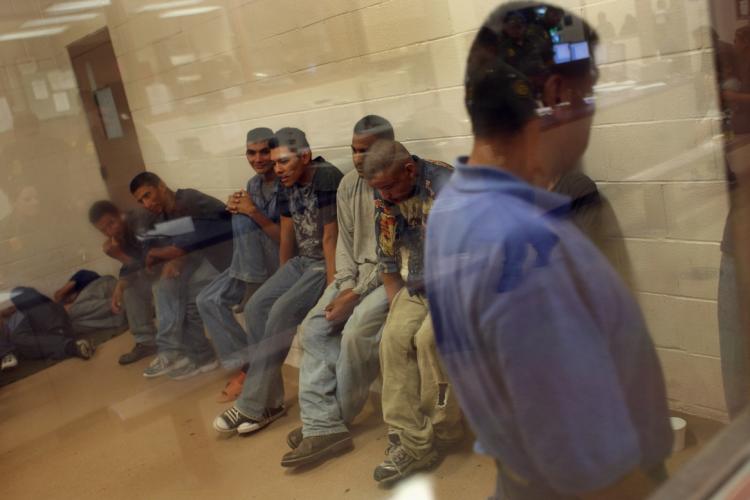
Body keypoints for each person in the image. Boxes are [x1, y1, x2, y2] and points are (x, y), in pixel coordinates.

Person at [424, 3, 673, 499]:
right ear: (559, 96)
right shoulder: (528, 250)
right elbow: (598, 479)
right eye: (592, 91)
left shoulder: (454, 203)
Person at [213, 127, 343, 435]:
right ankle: (269, 402)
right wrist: (283, 277)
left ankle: (251, 405)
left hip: (323, 262)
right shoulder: (287, 182)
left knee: (282, 310)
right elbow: (287, 233)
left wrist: (332, 286)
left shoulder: (325, 176)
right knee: (258, 306)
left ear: (306, 157)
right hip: (301, 263)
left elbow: (330, 237)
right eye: (275, 163)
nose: (277, 169)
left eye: (283, 162)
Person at [281, 116, 394, 468]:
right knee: (312, 327)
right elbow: (344, 245)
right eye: (354, 150)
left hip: (390, 278)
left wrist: (355, 295)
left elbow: (391, 256)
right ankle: (324, 422)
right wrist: (343, 287)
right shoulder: (348, 184)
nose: (358, 158)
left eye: (367, 150)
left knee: (355, 333)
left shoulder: (398, 181)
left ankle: (328, 423)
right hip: (355, 276)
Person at [360, 139, 462, 484]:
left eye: (389, 187)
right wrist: (396, 310)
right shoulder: (385, 192)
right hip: (418, 284)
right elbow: (388, 259)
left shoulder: (448, 187)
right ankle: (414, 441)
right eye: (378, 189)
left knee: (429, 340)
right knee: (393, 339)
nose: (384, 196)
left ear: (409, 170)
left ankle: (445, 431)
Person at [196, 127, 281, 402]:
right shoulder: (254, 184)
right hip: (249, 264)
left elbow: (284, 239)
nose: (258, 159)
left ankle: (251, 288)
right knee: (206, 299)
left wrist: (251, 212)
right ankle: (247, 363)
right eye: (251, 153)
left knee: (244, 219)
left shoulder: (285, 178)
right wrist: (235, 205)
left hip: (281, 259)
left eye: (264, 151)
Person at [130, 172, 233, 379]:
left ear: (161, 185)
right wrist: (168, 257)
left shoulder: (188, 200)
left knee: (173, 291)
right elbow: (181, 244)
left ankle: (172, 352)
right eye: (141, 200)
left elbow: (182, 247)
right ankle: (202, 357)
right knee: (173, 290)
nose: (147, 203)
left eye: (148, 195)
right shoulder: (165, 213)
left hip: (228, 259)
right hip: (207, 258)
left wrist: (159, 255)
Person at [88, 200, 159, 365]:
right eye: (103, 230)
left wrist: (118, 254)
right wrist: (119, 287)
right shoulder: (119, 234)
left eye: (111, 223)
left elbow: (150, 265)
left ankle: (174, 342)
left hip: (172, 266)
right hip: (153, 271)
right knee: (128, 289)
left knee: (153, 286)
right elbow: (132, 266)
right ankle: (147, 342)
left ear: (120, 213)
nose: (110, 231)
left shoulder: (140, 221)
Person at [0, 287, 93, 363]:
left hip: (49, 341)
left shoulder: (22, 314)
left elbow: (18, 337)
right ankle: (71, 346)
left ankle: (70, 347)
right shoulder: (55, 305)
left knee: (18, 337)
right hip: (64, 335)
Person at [52, 270, 127, 334]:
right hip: (114, 311)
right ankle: (123, 312)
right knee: (73, 326)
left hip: (110, 288)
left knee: (71, 311)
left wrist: (61, 298)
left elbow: (58, 296)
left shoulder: (81, 277)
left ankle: (125, 305)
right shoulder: (80, 304)